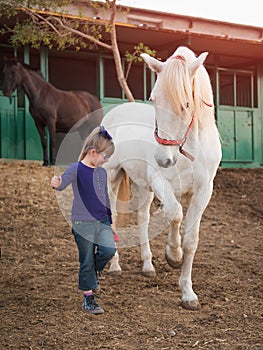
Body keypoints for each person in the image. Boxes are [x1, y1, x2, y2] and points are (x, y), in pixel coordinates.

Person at [51, 126, 117, 315]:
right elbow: (62, 182)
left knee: (109, 250)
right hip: (83, 223)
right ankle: (88, 298)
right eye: (105, 156)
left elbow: (105, 197)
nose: (106, 161)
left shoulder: (102, 173)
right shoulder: (76, 169)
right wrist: (56, 183)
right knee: (86, 260)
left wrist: (110, 221)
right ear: (93, 152)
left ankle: (93, 275)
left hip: (102, 220)